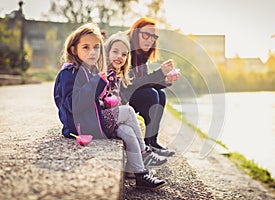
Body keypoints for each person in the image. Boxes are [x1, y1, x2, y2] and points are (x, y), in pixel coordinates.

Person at [53, 23, 166, 190]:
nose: (92, 52)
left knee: (127, 132)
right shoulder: (70, 72)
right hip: (82, 125)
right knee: (127, 112)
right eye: (86, 47)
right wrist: (98, 82)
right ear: (73, 49)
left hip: (95, 119)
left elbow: (94, 99)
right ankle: (145, 152)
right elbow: (73, 105)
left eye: (96, 47)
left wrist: (106, 98)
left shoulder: (89, 70)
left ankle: (141, 175)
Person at [120, 17, 180, 157]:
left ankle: (152, 141)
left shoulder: (142, 56)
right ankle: (145, 144)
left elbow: (145, 83)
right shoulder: (127, 51)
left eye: (153, 37)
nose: (150, 40)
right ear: (136, 34)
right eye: (146, 35)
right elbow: (131, 83)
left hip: (132, 93)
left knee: (160, 94)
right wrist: (159, 72)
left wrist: (166, 80)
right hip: (122, 96)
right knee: (150, 94)